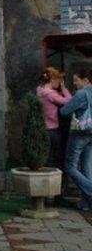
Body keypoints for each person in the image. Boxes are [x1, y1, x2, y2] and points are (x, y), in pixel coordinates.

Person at [60, 69, 92, 212]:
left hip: (79, 133)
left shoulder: (81, 94)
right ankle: (86, 204)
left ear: (86, 80)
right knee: (87, 169)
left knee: (70, 166)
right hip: (91, 133)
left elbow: (64, 111)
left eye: (76, 80)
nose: (74, 84)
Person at [37, 67, 72, 168]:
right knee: (55, 157)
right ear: (52, 79)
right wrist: (64, 88)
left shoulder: (40, 90)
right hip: (52, 129)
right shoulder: (50, 94)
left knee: (47, 156)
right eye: (59, 79)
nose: (60, 82)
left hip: (44, 127)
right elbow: (69, 101)